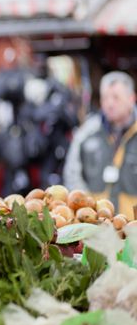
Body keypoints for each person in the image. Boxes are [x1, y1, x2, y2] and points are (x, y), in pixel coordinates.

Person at [63, 71, 137, 219]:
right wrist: (86, 210)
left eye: (116, 98)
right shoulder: (86, 133)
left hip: (133, 227)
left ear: (132, 98)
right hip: (96, 227)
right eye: (105, 98)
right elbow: (72, 174)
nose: (109, 104)